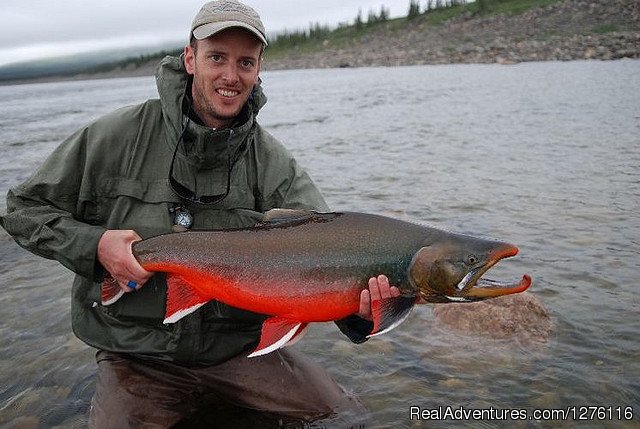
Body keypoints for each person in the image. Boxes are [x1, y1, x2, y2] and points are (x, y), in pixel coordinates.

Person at [0, 1, 400, 427]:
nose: (231, 76)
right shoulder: (113, 139)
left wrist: (360, 314)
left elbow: (326, 258)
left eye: (245, 62)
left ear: (259, 68)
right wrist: (94, 246)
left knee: (344, 418)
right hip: (138, 354)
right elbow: (24, 211)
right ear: (190, 59)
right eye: (217, 57)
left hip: (236, 351)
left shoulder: (274, 165)